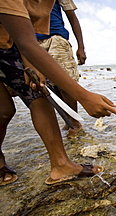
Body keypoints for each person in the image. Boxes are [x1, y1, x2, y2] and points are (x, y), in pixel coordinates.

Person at [0, 0, 116, 186]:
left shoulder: (41, 4)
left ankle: (60, 164)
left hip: (9, 43)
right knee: (4, 110)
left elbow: (23, 37)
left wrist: (29, 63)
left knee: (40, 91)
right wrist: (84, 97)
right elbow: (28, 44)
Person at [36, 0, 86, 137]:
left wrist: (81, 46)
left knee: (65, 83)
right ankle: (67, 118)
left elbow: (72, 17)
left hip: (56, 38)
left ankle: (75, 122)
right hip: (33, 42)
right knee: (49, 86)